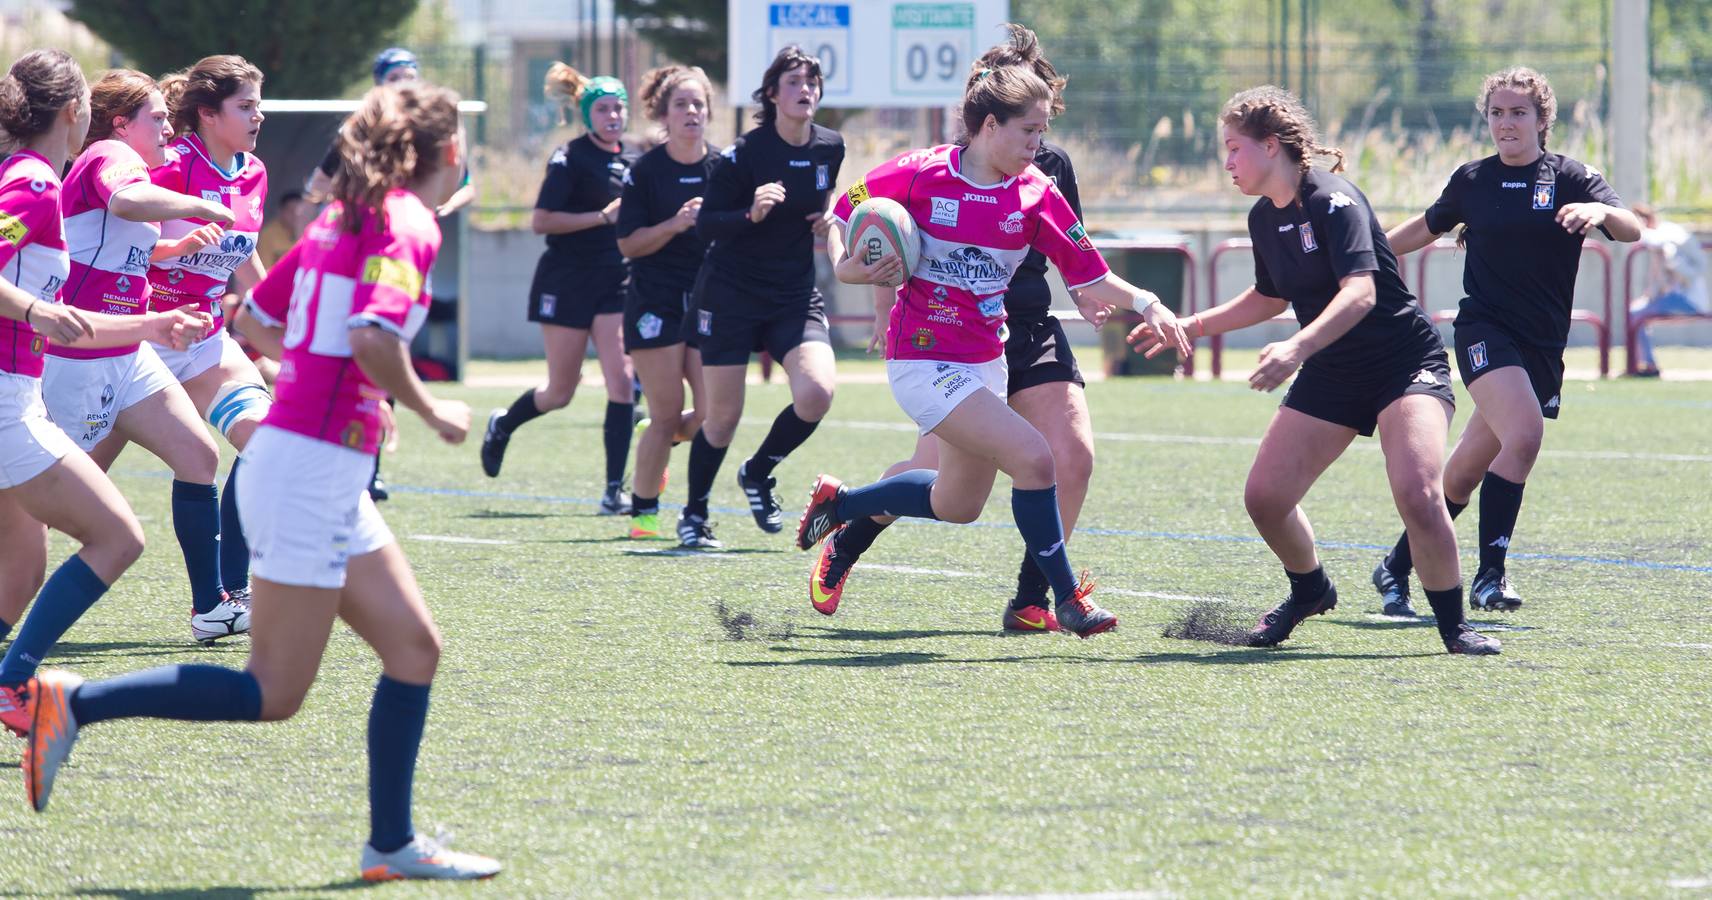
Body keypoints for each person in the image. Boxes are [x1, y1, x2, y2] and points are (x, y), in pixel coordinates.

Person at [25, 82, 503, 883]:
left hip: (313, 462)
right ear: (448, 153)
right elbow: (373, 335)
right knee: (275, 691)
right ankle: (71, 703)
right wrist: (424, 407)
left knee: (415, 649)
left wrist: (332, 381)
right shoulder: (409, 223)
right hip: (311, 466)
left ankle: (390, 844)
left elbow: (257, 318)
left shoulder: (343, 220)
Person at [796, 38, 1189, 638]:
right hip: (923, 358)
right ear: (987, 126)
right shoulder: (917, 171)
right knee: (1036, 458)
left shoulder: (1037, 192)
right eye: (1028, 131)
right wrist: (847, 263)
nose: (1038, 146)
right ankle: (1063, 601)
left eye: (1042, 132)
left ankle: (842, 504)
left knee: (959, 504)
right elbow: (844, 208)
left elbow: (1090, 270)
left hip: (988, 359)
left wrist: (1146, 301)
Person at [1132, 85, 1501, 654]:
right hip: (1333, 371)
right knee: (1265, 497)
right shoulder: (1263, 218)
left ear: (1271, 146)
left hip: (1402, 362)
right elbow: (1268, 298)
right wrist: (1191, 325)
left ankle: (1455, 627)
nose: (1226, 162)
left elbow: (1360, 293)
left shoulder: (1334, 201)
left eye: (1234, 148)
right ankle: (1310, 590)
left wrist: (1294, 349)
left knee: (1418, 493)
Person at [1373, 67, 1640, 615]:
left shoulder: (1570, 176)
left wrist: (1600, 211)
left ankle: (1395, 567)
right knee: (1524, 433)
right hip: (1484, 331)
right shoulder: (1472, 180)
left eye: (1518, 112)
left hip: (1542, 346)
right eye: (1496, 112)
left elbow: (1632, 227)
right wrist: (1363, 258)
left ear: (1543, 120)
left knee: (1466, 472)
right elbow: (1425, 227)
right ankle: (1489, 578)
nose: (1505, 123)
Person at [0, 50, 208, 735]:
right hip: (10, 402)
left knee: (22, 565)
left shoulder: (33, 178)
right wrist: (32, 312)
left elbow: (71, 322)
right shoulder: (32, 181)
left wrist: (151, 323)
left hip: (29, 389)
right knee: (117, 536)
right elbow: (44, 311)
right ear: (74, 113)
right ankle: (12, 687)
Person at [38, 68, 249, 645]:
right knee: (36, 507)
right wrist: (200, 207)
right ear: (119, 123)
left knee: (198, 455)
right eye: (156, 117)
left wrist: (174, 245)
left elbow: (118, 235)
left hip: (127, 350)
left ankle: (212, 607)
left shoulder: (126, 163)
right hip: (77, 353)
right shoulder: (112, 154)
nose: (167, 126)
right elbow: (128, 201)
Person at [670, 45, 844, 548]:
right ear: (772, 93)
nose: (805, 89)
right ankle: (695, 515)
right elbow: (705, 226)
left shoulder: (831, 146)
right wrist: (750, 213)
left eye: (811, 80)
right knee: (721, 418)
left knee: (816, 393)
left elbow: (830, 196)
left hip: (792, 294)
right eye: (793, 81)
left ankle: (758, 470)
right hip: (730, 296)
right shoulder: (744, 154)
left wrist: (829, 216)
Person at [143, 54, 277, 626]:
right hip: (133, 345)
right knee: (58, 486)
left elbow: (243, 260)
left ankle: (227, 596)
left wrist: (284, 327)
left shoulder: (253, 172)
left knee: (268, 446)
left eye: (258, 103)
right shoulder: (166, 166)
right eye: (245, 105)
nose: (258, 115)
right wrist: (176, 249)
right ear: (207, 113)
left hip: (203, 342)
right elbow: (113, 252)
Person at [478, 63, 640, 516]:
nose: (612, 116)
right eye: (603, 109)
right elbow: (541, 221)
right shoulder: (568, 158)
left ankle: (613, 490)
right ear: (586, 115)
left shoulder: (636, 161)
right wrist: (602, 217)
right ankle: (504, 424)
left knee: (622, 382)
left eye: (618, 109)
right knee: (559, 392)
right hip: (566, 281)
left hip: (615, 279)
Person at [613, 64, 715, 540]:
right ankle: (645, 513)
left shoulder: (724, 168)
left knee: (717, 413)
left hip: (709, 301)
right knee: (669, 407)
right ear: (664, 115)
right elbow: (628, 244)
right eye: (682, 104)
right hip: (654, 300)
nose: (691, 112)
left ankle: (659, 436)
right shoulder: (646, 172)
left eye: (698, 104)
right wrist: (674, 224)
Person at [305, 48, 477, 218]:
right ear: (380, 85)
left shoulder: (430, 131)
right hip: (371, 227)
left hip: (411, 227)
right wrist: (353, 208)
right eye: (394, 78)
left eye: (410, 77)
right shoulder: (361, 130)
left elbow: (465, 187)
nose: (403, 84)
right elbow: (318, 184)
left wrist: (443, 207)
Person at [1627, 203, 1707, 377]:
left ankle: (1649, 365)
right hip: (1675, 296)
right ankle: (1647, 363)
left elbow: (1649, 239)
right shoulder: (1663, 237)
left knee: (1636, 314)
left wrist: (1637, 228)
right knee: (1636, 313)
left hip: (1687, 299)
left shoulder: (1667, 233)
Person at [257, 188, 308, 268]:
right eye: (290, 210)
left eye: (298, 211)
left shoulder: (310, 233)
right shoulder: (269, 233)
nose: (295, 214)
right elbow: (264, 268)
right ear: (281, 211)